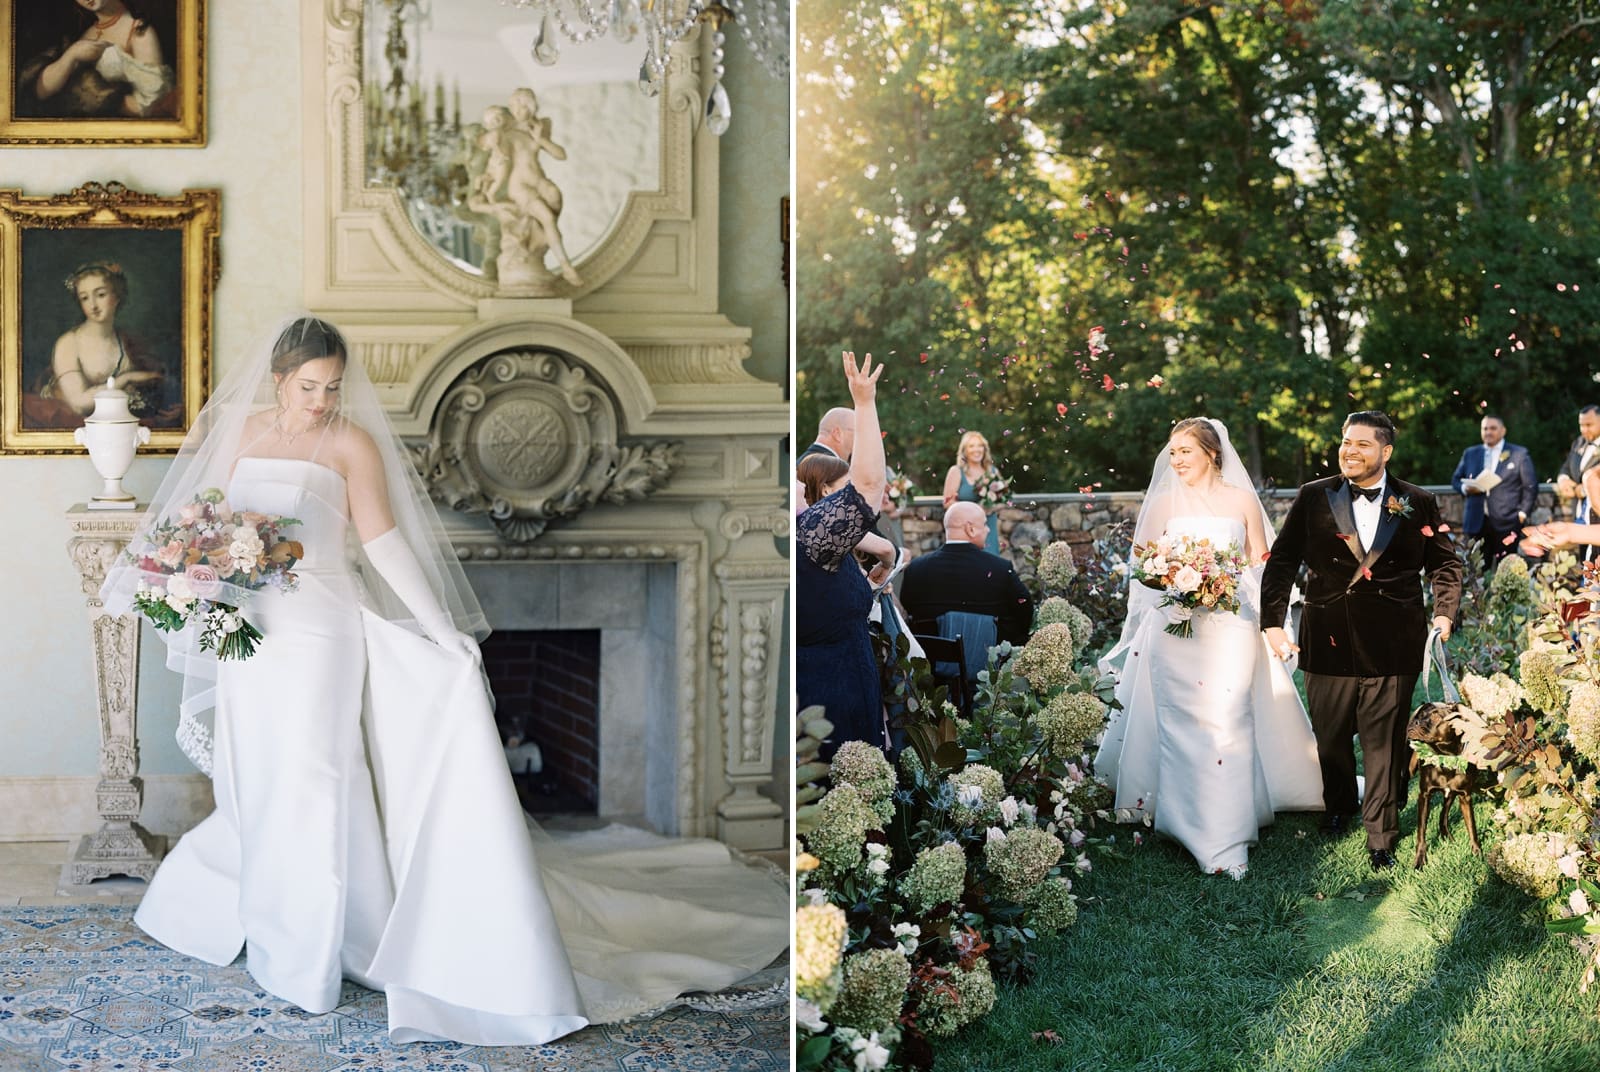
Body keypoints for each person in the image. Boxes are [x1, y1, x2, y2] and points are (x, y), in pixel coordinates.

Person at [99, 316, 786, 1045]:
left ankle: (323, 948)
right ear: (278, 379)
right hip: (250, 633)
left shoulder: (349, 443)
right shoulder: (239, 434)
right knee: (259, 773)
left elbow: (385, 545)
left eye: (332, 387)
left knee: (320, 774)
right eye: (308, 387)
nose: (321, 401)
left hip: (323, 629)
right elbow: (200, 521)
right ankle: (272, 919)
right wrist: (183, 579)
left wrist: (439, 628)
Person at [1096, 418, 1324, 878]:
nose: (1176, 460)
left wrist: (1272, 622)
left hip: (1231, 627)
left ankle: (1228, 832)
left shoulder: (1241, 500)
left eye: (1185, 451)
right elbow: (1142, 570)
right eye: (1173, 452)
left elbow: (1262, 564)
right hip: (1175, 630)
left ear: (1212, 454)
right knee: (1182, 725)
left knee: (1229, 718)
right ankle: (1185, 822)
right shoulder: (1161, 504)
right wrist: (1173, 579)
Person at [1261, 411, 1462, 871]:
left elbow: (1445, 566)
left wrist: (1445, 614)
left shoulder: (1418, 501)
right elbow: (1283, 560)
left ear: (1385, 451)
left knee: (1384, 742)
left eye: (1361, 444)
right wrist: (1273, 622)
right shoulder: (1314, 496)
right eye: (1345, 442)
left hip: (1394, 642)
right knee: (1330, 739)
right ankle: (1338, 806)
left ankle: (1381, 835)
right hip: (1327, 637)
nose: (1348, 451)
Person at [797, 351, 887, 758]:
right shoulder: (811, 536)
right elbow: (869, 487)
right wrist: (864, 402)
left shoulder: (815, 539)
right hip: (827, 703)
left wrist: (862, 587)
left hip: (842, 688)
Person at [28, 261, 178, 430]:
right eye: (84, 298)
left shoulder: (129, 342)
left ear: (117, 296)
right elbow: (79, 404)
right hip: (76, 425)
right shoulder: (69, 343)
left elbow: (158, 381)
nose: (93, 306)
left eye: (100, 295)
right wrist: (125, 379)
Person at [898, 502, 1033, 646]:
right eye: (985, 524)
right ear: (971, 529)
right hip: (989, 662)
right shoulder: (1000, 568)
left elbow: (909, 609)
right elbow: (1025, 610)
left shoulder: (916, 568)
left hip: (931, 662)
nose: (988, 530)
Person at [23, 0, 175, 118]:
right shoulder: (85, 34)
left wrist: (101, 98)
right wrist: (71, 55)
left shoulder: (138, 30)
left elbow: (156, 103)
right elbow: (40, 92)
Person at [1450, 414, 1537, 569]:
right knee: (1475, 571)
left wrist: (1522, 514)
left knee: (1507, 570)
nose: (1488, 432)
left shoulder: (1519, 454)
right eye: (1485, 428)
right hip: (1476, 521)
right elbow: (1456, 480)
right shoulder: (1470, 453)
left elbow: (1530, 486)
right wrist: (1466, 488)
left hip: (1508, 521)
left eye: (1493, 428)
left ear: (1503, 431)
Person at [942, 430, 1003, 553]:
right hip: (966, 531)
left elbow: (1004, 500)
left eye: (980, 446)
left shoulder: (992, 472)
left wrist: (992, 507)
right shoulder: (956, 471)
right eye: (971, 446)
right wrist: (976, 508)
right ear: (964, 450)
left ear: (985, 449)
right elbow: (947, 503)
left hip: (988, 527)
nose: (977, 449)